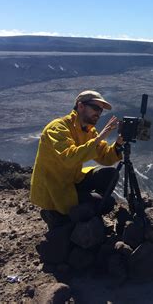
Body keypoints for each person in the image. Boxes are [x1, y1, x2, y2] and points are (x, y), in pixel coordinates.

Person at [30, 90, 123, 229]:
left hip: (73, 180)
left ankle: (80, 209)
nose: (98, 113)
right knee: (106, 203)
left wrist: (119, 144)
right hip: (55, 188)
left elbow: (105, 157)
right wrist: (99, 138)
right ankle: (57, 214)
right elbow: (69, 158)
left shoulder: (89, 130)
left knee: (110, 175)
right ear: (80, 106)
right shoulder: (57, 128)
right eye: (95, 108)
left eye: (101, 110)